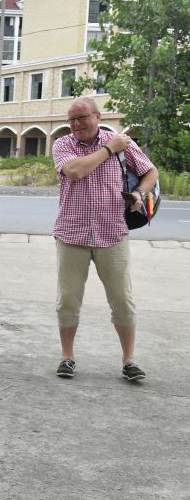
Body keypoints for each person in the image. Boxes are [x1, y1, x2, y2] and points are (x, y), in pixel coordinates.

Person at [51, 97, 157, 381]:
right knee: (68, 300)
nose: (76, 124)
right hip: (72, 234)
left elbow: (150, 171)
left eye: (82, 117)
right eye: (71, 119)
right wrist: (109, 149)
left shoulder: (122, 143)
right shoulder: (63, 145)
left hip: (113, 233)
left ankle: (129, 360)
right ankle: (67, 357)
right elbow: (75, 171)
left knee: (122, 299)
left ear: (98, 116)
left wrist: (140, 194)